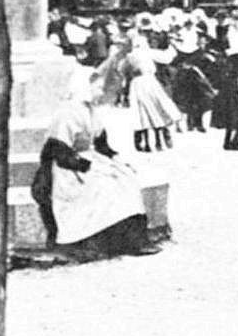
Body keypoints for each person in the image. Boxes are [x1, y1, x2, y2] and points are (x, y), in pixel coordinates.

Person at [30, 71, 158, 258]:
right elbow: (57, 150)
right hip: (69, 167)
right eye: (97, 87)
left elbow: (101, 143)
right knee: (103, 186)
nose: (101, 91)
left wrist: (116, 160)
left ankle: (132, 239)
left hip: (91, 159)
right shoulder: (68, 112)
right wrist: (87, 166)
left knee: (125, 179)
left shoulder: (91, 111)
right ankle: (99, 241)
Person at [124, 34, 182, 152]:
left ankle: (143, 138)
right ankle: (161, 136)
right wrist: (172, 45)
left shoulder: (129, 56)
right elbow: (167, 57)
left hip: (136, 84)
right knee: (158, 106)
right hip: (150, 81)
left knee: (140, 111)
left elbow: (121, 68)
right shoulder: (148, 52)